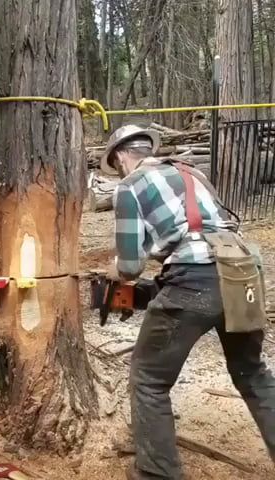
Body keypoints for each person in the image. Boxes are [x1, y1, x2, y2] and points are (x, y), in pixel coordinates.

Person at [101, 125, 275, 480]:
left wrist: (115, 271)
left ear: (120, 157)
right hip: (241, 271)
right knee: (253, 373)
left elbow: (131, 266)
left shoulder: (130, 186)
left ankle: (157, 475)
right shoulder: (191, 172)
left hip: (195, 279)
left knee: (148, 378)